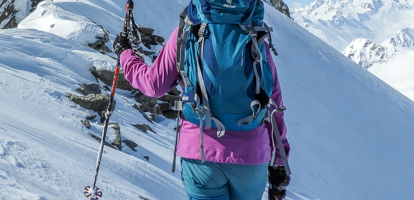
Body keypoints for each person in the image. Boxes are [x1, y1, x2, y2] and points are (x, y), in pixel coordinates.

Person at [114, 11, 290, 200]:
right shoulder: (255, 35)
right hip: (252, 155)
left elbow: (153, 84)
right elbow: (274, 103)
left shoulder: (187, 32)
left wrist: (125, 54)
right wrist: (280, 160)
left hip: (201, 152)